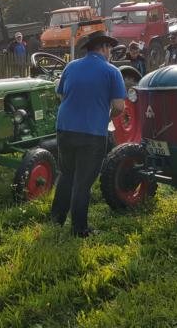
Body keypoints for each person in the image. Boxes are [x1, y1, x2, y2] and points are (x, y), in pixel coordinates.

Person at [50, 30, 126, 237]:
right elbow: (119, 106)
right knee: (83, 182)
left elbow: (61, 94)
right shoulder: (112, 72)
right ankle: (79, 229)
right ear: (103, 48)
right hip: (92, 132)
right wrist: (106, 117)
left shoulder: (71, 66)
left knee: (67, 174)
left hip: (65, 127)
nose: (111, 52)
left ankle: (56, 218)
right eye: (110, 48)